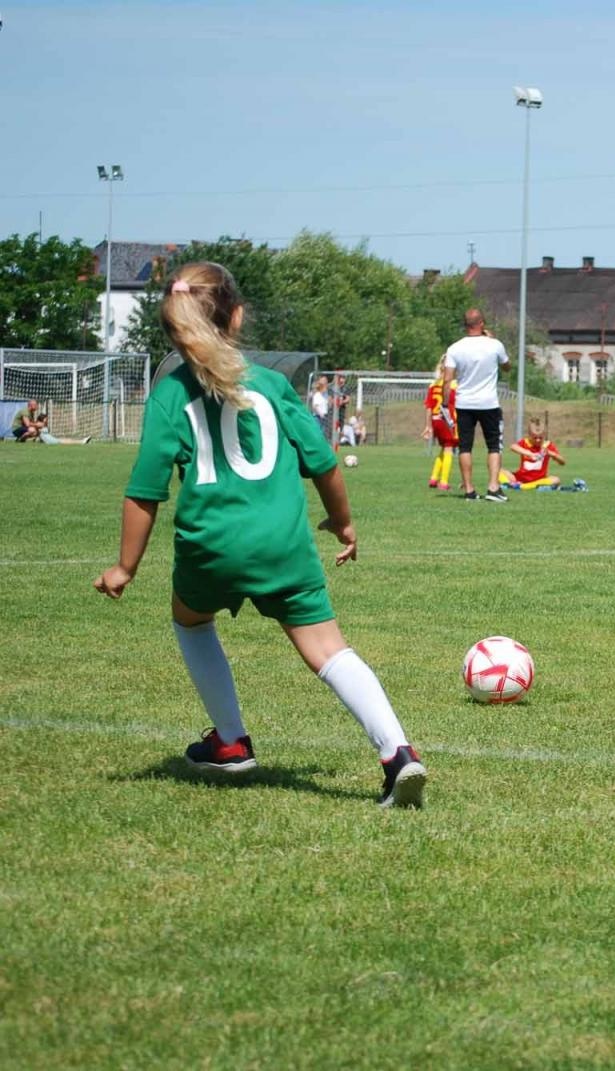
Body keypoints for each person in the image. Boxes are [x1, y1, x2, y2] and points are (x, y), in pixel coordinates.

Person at [91, 262, 426, 807]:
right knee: (328, 649)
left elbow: (144, 490)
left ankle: (229, 740)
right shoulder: (272, 385)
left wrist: (125, 567)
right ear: (238, 315)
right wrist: (341, 522)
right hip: (283, 547)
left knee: (190, 619)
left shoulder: (170, 393)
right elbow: (325, 463)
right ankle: (399, 755)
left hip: (211, 545)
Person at [443, 308, 510, 502]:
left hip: (464, 403)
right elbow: (507, 366)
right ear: (481, 323)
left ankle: (469, 490)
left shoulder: (455, 348)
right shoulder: (494, 345)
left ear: (466, 325)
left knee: (465, 447)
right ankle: (493, 487)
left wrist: (446, 405)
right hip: (488, 403)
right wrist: (492, 340)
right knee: (494, 446)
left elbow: (448, 379)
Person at [425, 358, 459, 491]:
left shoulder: (433, 384)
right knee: (449, 448)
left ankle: (434, 478)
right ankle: (444, 482)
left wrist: (428, 425)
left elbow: (428, 407)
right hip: (446, 419)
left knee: (444, 448)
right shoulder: (454, 384)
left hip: (435, 419)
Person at [505, 417, 566, 488]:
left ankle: (524, 486)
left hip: (539, 480)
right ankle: (521, 484)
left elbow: (563, 462)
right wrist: (529, 453)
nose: (538, 440)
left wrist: (551, 454)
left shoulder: (548, 445)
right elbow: (513, 447)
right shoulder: (525, 442)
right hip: (521, 478)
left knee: (556, 480)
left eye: (540, 438)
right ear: (529, 435)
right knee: (498, 471)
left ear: (544, 435)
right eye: (535, 437)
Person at [309, 375, 334, 445]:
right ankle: (315, 445)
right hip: (317, 417)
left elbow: (328, 405)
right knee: (317, 432)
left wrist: (330, 402)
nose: (326, 388)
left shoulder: (326, 395)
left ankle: (321, 445)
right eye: (325, 387)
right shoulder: (317, 394)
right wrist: (320, 413)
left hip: (324, 416)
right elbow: (314, 406)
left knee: (322, 433)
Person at [331, 373, 350, 446]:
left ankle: (337, 442)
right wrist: (335, 402)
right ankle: (332, 441)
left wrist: (342, 402)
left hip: (341, 410)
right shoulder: (332, 388)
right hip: (333, 410)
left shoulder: (345, 388)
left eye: (343, 379)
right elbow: (329, 399)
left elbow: (348, 399)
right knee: (332, 426)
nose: (342, 381)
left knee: (340, 427)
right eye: (341, 379)